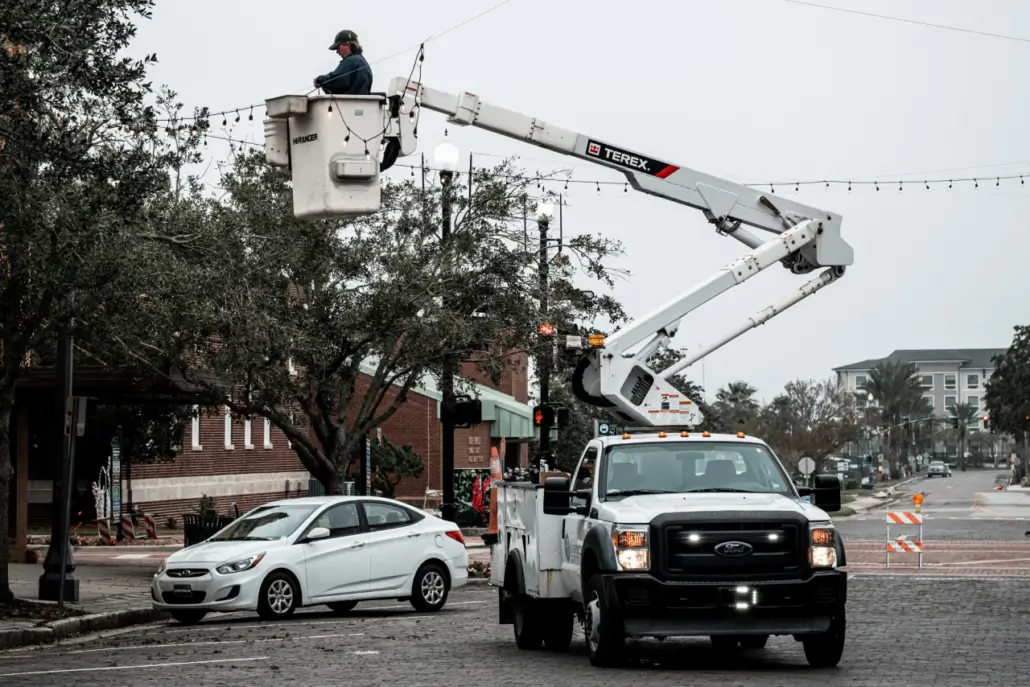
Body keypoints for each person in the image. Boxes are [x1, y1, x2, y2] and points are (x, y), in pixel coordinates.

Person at [314, 30, 372, 95]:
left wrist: (319, 80)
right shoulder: (361, 60)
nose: (337, 51)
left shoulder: (351, 60)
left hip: (350, 104)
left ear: (347, 44)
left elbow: (336, 80)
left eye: (338, 47)